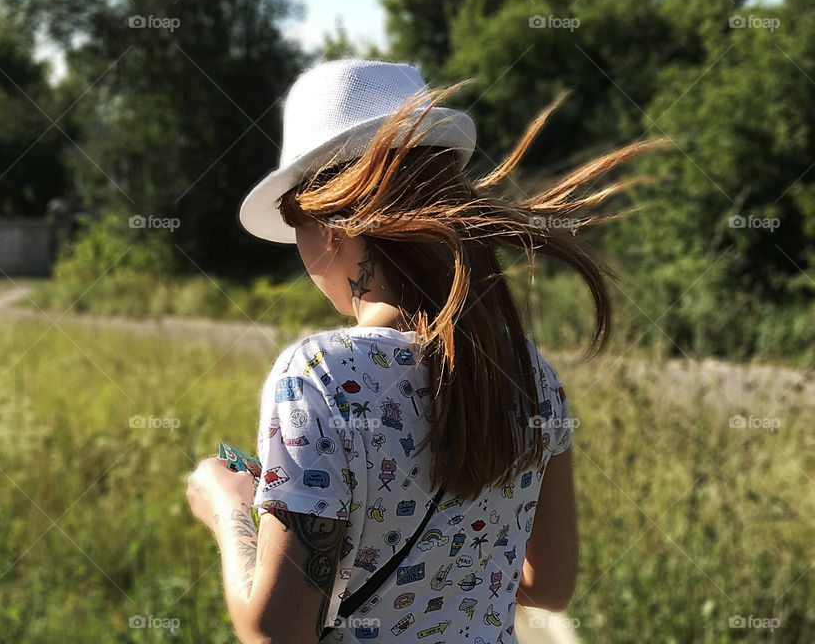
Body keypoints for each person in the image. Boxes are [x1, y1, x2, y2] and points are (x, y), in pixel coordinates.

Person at [186, 58, 669, 643]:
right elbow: (549, 585)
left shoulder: (318, 374)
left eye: (296, 226)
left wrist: (228, 504)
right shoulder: (530, 373)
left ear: (331, 227)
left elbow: (275, 631)